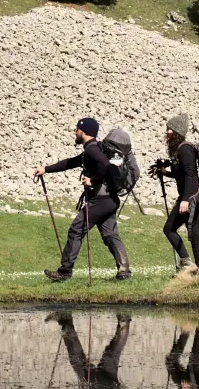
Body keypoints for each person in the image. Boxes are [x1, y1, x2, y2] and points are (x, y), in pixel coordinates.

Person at [35, 116, 130, 282]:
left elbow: (104, 165)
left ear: (83, 131)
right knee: (109, 234)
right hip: (110, 199)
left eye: (77, 129)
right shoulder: (93, 149)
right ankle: (124, 271)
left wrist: (92, 181)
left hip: (100, 200)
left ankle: (64, 272)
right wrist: (46, 169)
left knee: (76, 229)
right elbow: (70, 162)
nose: (75, 132)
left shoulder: (93, 150)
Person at [155, 113, 199, 277]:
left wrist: (185, 200)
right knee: (190, 233)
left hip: (191, 198)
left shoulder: (185, 149)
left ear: (176, 132)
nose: (167, 133)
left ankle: (190, 265)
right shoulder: (180, 150)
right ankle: (196, 269)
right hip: (190, 196)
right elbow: (181, 174)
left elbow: (190, 175)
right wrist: (164, 172)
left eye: (169, 130)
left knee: (172, 229)